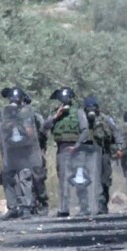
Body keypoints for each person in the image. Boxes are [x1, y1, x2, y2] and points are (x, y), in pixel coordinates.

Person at [42, 86, 91, 217]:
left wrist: (77, 145)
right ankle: (64, 209)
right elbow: (44, 128)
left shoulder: (78, 112)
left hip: (77, 149)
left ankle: (84, 207)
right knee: (63, 179)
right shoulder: (55, 113)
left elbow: (85, 130)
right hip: (62, 149)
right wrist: (55, 117)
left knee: (79, 177)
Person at [0, 87, 40, 219]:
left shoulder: (26, 115)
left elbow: (31, 134)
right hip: (10, 152)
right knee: (7, 178)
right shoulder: (5, 116)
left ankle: (26, 208)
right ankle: (12, 208)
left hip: (23, 152)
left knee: (24, 178)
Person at [84, 96, 121, 214]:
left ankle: (102, 202)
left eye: (93, 107)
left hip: (103, 152)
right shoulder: (82, 120)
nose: (91, 110)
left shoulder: (105, 119)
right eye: (88, 107)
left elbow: (116, 132)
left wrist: (119, 147)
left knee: (104, 179)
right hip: (87, 154)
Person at [23, 92, 50, 214]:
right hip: (19, 151)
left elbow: (44, 133)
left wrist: (42, 150)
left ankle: (43, 201)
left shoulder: (36, 117)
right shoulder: (13, 117)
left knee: (38, 177)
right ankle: (27, 204)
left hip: (35, 150)